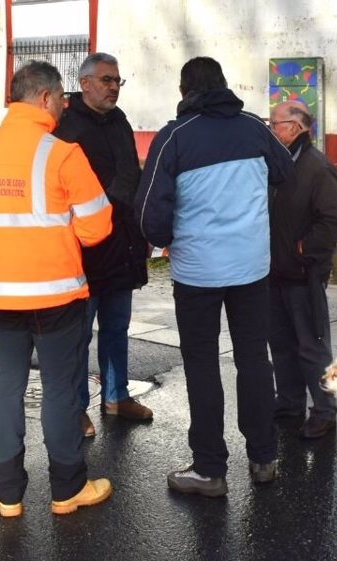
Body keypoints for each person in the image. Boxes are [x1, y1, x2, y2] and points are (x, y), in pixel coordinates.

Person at [0, 61, 114, 518]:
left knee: (4, 387)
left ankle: (7, 495)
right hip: (57, 296)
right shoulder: (63, 154)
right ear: (44, 98)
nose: (66, 105)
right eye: (63, 97)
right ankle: (67, 491)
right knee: (61, 391)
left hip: (0, 295)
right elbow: (97, 227)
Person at [134, 56, 293, 497]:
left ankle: (209, 470)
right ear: (224, 84)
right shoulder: (254, 127)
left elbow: (149, 211)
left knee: (202, 365)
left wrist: (168, 238)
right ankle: (264, 457)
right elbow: (285, 170)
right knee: (253, 360)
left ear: (185, 92)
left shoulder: (174, 137)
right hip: (251, 268)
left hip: (198, 270)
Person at [53, 52, 153, 436]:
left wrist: (137, 230)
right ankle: (77, 407)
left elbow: (133, 173)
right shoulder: (66, 125)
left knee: (117, 327)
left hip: (122, 240)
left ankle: (117, 395)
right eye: (107, 80)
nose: (114, 87)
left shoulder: (120, 121)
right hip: (82, 246)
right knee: (79, 333)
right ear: (85, 83)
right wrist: (101, 209)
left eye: (117, 81)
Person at [266, 100, 337, 439]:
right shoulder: (277, 163)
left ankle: (324, 411)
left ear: (296, 128)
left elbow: (331, 222)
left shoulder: (316, 167)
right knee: (281, 346)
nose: (271, 129)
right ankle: (289, 404)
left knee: (311, 348)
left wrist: (302, 250)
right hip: (273, 273)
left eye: (275, 124)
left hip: (303, 275)